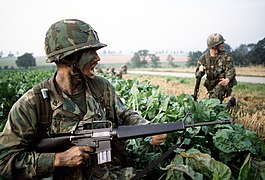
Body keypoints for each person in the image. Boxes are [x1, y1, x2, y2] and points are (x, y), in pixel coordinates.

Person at [0, 19, 166, 180]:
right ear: (69, 58)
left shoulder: (101, 87)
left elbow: (124, 115)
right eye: (90, 52)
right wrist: (59, 159)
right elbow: (5, 162)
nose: (97, 58)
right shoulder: (32, 104)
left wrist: (147, 129)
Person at [195, 33, 237, 105]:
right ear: (214, 46)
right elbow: (197, 76)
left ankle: (226, 101)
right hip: (211, 85)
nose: (223, 44)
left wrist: (227, 79)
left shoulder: (226, 56)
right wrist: (201, 71)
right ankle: (230, 102)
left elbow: (231, 70)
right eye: (221, 43)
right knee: (212, 103)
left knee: (212, 104)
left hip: (223, 83)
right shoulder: (204, 58)